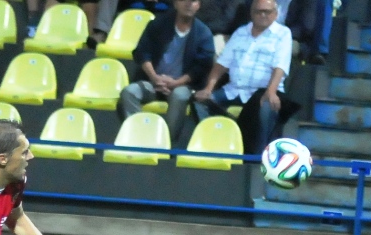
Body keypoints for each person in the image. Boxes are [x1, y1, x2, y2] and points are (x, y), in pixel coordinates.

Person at [193, 0, 296, 154]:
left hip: (263, 91)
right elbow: (221, 64)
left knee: (267, 106)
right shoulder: (240, 32)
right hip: (233, 90)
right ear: (251, 13)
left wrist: (271, 91)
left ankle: (257, 157)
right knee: (199, 102)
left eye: (267, 11)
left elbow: (280, 66)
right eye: (258, 11)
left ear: (275, 14)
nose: (262, 15)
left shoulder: (283, 34)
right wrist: (208, 89)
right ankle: (219, 143)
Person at [118, 0, 214, 144]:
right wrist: (154, 78)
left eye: (194, 1)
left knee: (179, 95)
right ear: (175, 3)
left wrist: (177, 82)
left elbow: (202, 66)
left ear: (198, 5)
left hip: (183, 85)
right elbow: (142, 53)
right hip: (154, 82)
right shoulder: (158, 24)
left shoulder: (203, 33)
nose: (188, 3)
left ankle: (165, 144)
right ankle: (139, 139)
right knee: (129, 92)